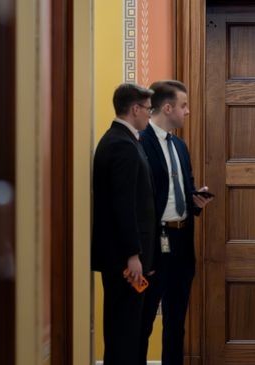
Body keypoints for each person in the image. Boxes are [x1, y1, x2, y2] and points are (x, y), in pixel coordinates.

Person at [138, 80, 213, 365]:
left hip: (182, 242)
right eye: (183, 105)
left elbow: (187, 186)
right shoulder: (140, 141)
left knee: (176, 321)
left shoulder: (180, 146)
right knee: (144, 321)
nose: (188, 111)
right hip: (154, 242)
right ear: (167, 108)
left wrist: (196, 201)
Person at [91, 83, 156, 364]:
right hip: (125, 259)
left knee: (125, 329)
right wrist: (133, 254)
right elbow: (123, 205)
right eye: (148, 109)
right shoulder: (121, 145)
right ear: (135, 109)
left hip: (124, 256)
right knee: (124, 331)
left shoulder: (123, 140)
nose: (149, 116)